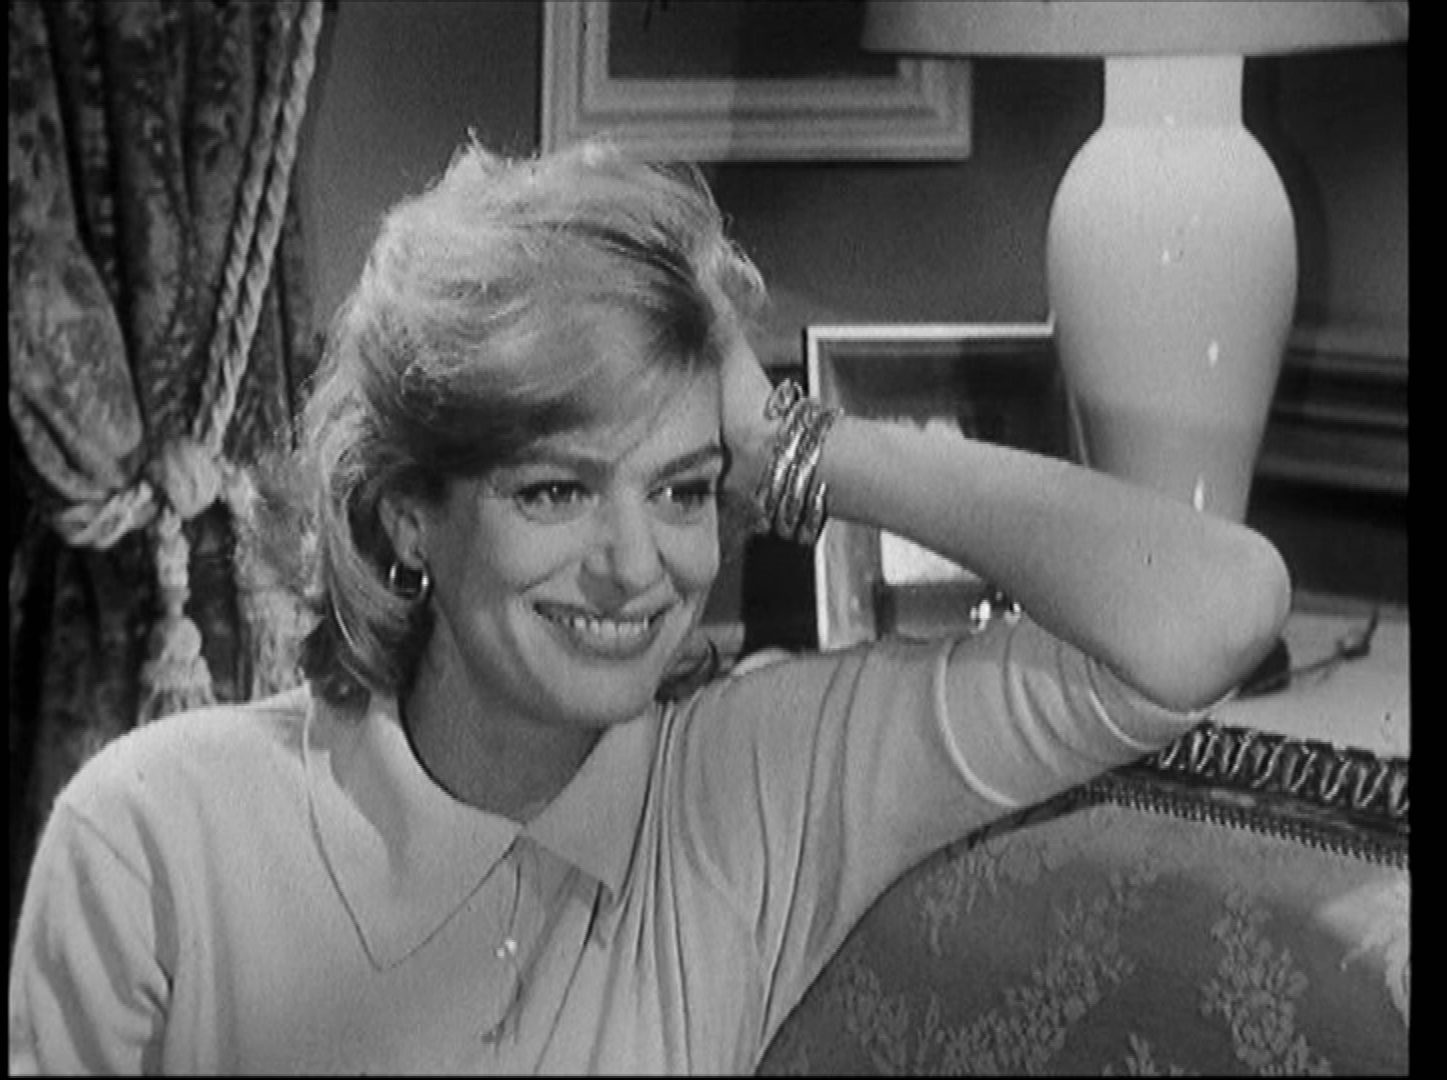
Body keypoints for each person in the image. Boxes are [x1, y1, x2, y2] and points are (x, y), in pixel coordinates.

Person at [8, 136, 1290, 1075]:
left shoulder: (753, 788)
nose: (637, 566)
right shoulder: (151, 839)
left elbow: (1215, 608)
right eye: (555, 491)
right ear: (407, 512)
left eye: (681, 490)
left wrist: (791, 442)